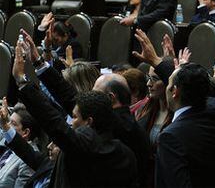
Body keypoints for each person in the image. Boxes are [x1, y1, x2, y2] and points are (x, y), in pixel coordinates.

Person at [12, 42, 139, 187]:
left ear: (89, 121)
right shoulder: (122, 150)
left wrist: (21, 80)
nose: (71, 122)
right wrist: (39, 63)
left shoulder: (87, 149)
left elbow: (53, 122)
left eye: (75, 117)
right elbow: (70, 98)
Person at [132, 29, 215, 188]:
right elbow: (203, 88)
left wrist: (157, 60)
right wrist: (163, 64)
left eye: (168, 83)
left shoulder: (171, 137)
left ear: (174, 91)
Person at [0, 103, 39, 188]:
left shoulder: (29, 160)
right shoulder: (7, 142)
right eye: (8, 121)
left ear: (26, 132)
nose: (8, 126)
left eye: (13, 123)